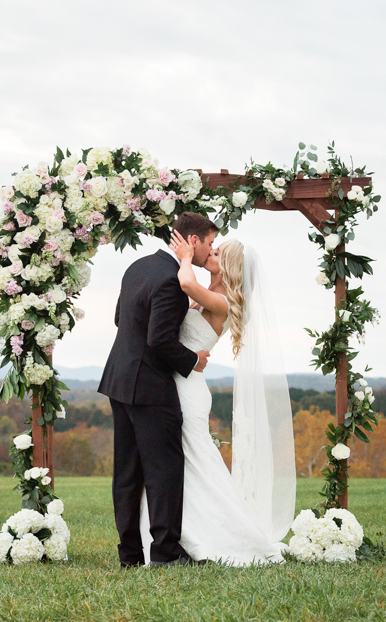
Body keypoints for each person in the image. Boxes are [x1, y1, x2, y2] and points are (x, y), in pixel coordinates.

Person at [137, 229, 297, 566]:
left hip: (188, 391)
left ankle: (212, 534)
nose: (210, 252)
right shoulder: (209, 294)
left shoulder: (222, 301)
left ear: (227, 266)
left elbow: (183, 283)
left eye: (216, 251)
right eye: (210, 247)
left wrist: (183, 256)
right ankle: (176, 533)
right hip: (181, 382)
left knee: (196, 464)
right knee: (181, 464)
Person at [98, 212, 217, 568]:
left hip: (119, 380)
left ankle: (130, 556)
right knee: (164, 470)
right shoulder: (172, 280)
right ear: (192, 241)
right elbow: (160, 340)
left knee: (127, 474)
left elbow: (122, 318)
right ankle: (166, 554)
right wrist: (192, 359)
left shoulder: (138, 266)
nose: (210, 249)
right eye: (209, 243)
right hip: (149, 386)